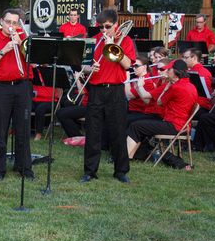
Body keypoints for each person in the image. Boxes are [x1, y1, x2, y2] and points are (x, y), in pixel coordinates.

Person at [79, 9, 135, 184]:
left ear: (115, 24)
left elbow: (127, 65)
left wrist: (113, 46)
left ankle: (121, 171)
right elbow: (83, 67)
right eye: (101, 27)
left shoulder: (124, 41)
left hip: (116, 90)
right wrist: (89, 68)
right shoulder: (94, 41)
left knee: (118, 132)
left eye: (107, 27)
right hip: (96, 90)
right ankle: (90, 171)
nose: (104, 30)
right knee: (93, 132)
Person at [0, 8, 33, 181]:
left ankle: (24, 168)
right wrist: (4, 50)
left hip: (22, 86)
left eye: (15, 23)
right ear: (1, 21)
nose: (11, 26)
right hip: (1, 88)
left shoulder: (24, 38)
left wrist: (20, 45)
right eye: (8, 22)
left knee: (23, 129)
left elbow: (36, 61)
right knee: (0, 130)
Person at [126, 60, 198, 170]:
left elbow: (159, 102)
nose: (166, 71)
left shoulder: (175, 87)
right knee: (138, 125)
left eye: (168, 69)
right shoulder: (191, 85)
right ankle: (129, 156)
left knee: (136, 126)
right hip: (180, 125)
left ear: (175, 72)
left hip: (174, 125)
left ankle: (125, 158)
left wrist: (166, 87)